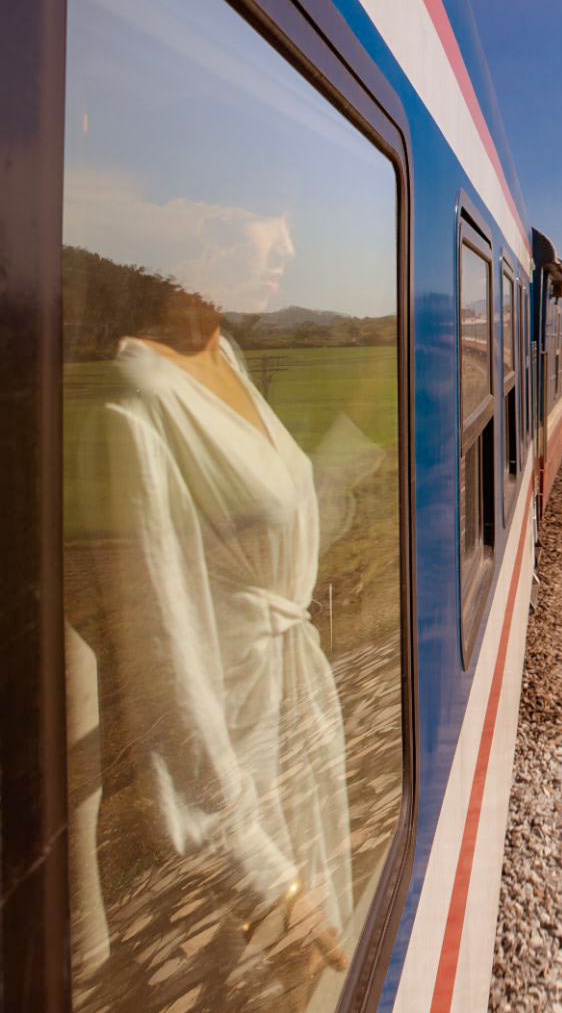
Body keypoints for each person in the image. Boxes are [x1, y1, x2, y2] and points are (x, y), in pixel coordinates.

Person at [67, 269, 350, 1013]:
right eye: (265, 215)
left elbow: (253, 538)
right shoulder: (137, 400)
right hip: (233, 771)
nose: (286, 241)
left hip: (292, 726)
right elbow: (166, 661)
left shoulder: (228, 356)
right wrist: (263, 881)